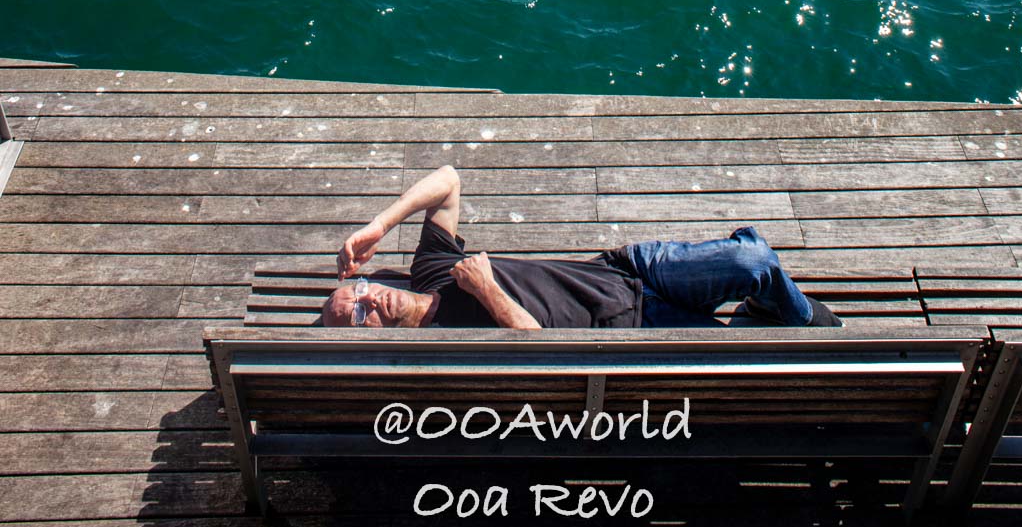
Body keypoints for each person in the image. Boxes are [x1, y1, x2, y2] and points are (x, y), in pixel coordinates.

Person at [323, 165, 841, 331]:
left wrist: (379, 227)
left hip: (628, 272)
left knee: (754, 260)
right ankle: (786, 317)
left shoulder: (431, 270)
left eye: (362, 291)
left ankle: (776, 309)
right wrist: (486, 292)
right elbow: (545, 357)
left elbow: (449, 180)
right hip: (632, 329)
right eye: (358, 315)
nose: (372, 301)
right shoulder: (441, 343)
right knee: (751, 349)